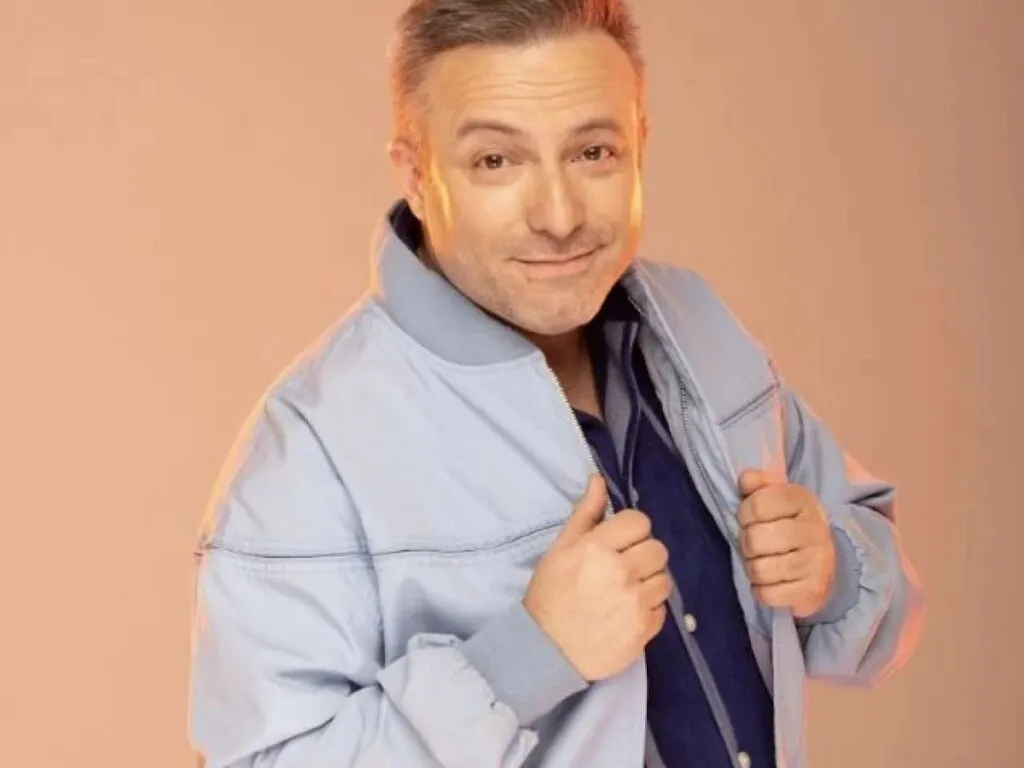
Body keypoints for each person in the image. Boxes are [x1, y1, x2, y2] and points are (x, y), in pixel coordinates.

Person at [187, 1, 925, 766]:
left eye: (592, 152)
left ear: (639, 145)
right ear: (417, 176)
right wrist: (524, 662)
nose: (560, 215)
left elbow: (889, 606)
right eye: (496, 162)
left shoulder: (699, 324)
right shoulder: (312, 449)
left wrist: (833, 571)